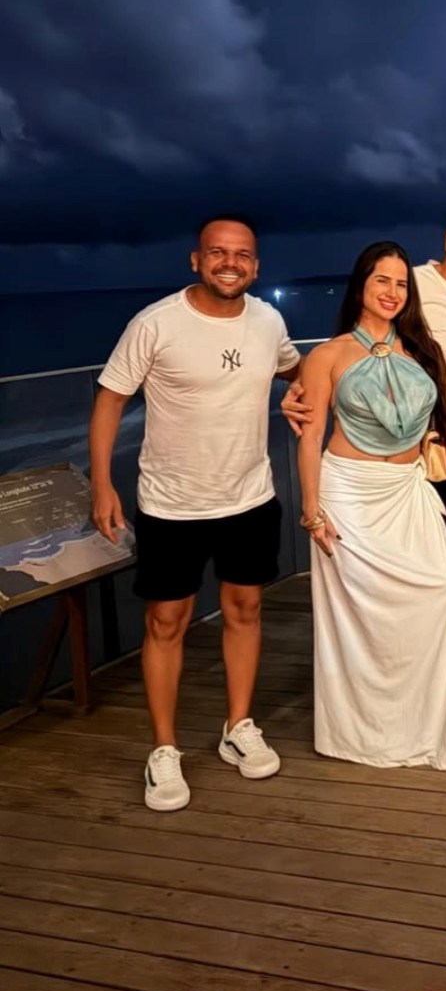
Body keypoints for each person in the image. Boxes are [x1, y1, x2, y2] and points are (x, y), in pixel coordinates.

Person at [89, 214, 301, 812]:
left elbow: (296, 370)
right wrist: (101, 485)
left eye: (242, 254)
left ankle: (238, 726)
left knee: (245, 609)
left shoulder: (268, 320)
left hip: (250, 496)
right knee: (166, 622)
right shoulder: (155, 323)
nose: (230, 263)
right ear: (196, 260)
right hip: (172, 504)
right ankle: (164, 749)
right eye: (217, 252)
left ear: (255, 265)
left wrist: (312, 393)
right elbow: (109, 400)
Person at [296, 241, 446, 771]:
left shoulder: (425, 350)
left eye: (401, 283)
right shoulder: (327, 356)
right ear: (361, 284)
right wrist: (312, 510)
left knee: (442, 595)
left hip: (408, 488)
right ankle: (372, 728)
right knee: (365, 615)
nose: (393, 292)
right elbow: (310, 438)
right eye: (382, 280)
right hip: (349, 492)